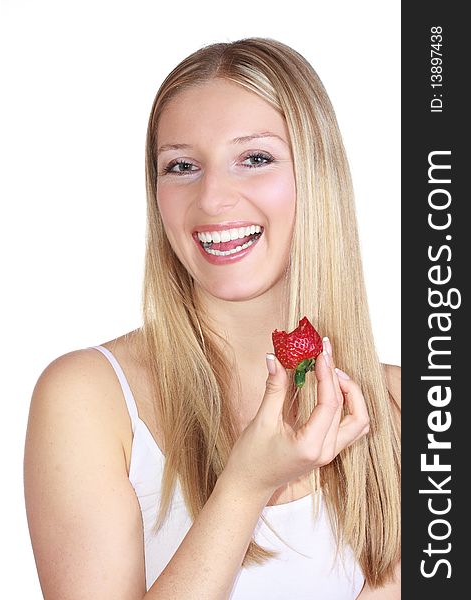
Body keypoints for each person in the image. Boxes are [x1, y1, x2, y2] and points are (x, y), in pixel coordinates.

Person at [24, 38, 401, 599]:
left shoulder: (402, 407)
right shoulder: (90, 397)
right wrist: (246, 486)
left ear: (318, 177)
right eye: (182, 166)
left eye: (255, 158)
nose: (213, 197)